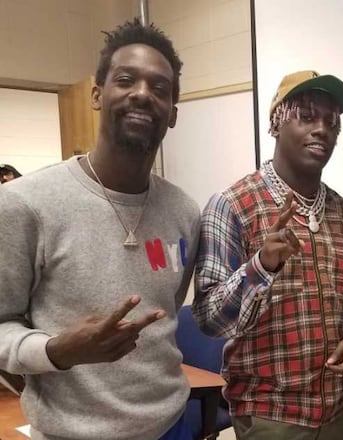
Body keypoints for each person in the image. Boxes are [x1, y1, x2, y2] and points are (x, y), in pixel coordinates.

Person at [0, 19, 198, 440]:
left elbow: (168, 307)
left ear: (173, 113)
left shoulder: (184, 211)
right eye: (126, 80)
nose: (143, 94)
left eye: (160, 88)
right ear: (96, 93)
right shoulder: (25, 203)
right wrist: (55, 352)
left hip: (171, 426)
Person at [193, 70, 343, 440]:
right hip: (269, 416)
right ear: (277, 123)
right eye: (307, 116)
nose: (322, 129)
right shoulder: (232, 206)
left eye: (331, 122)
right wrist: (260, 266)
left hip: (336, 411)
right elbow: (210, 319)